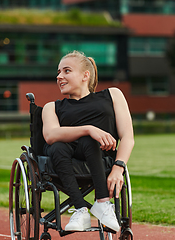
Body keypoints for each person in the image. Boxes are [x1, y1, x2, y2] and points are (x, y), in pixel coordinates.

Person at [42, 50, 134, 232]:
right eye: (58, 72)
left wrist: (119, 167)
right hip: (64, 159)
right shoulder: (52, 107)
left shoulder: (113, 95)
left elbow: (128, 137)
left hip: (102, 159)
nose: (59, 76)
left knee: (90, 142)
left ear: (86, 75)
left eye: (66, 71)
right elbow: (51, 135)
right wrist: (89, 129)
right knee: (59, 145)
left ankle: (102, 202)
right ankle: (80, 209)